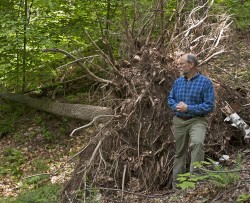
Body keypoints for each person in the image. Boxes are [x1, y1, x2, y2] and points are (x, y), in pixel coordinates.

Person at [167, 53, 215, 189]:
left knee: (198, 143)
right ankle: (177, 186)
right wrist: (175, 105)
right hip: (179, 121)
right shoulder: (178, 82)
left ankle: (195, 183)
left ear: (191, 64)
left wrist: (189, 108)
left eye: (182, 63)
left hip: (197, 120)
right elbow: (170, 99)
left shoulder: (205, 82)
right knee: (180, 152)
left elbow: (209, 105)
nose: (179, 66)